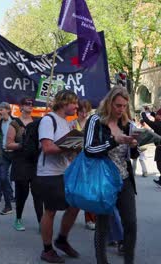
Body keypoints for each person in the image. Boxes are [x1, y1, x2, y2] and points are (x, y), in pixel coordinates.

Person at [84, 86, 139, 264]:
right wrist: (113, 140)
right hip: (103, 180)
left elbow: (133, 154)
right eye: (117, 105)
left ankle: (129, 260)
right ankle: (102, 261)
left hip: (124, 179)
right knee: (103, 224)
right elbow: (89, 149)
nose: (120, 109)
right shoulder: (95, 120)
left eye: (124, 106)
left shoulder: (129, 124)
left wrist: (135, 146)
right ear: (109, 103)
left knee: (131, 223)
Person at [37, 90, 81, 263]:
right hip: (49, 173)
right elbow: (47, 147)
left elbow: (66, 148)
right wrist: (70, 146)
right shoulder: (48, 120)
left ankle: (61, 240)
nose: (77, 106)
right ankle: (47, 250)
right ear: (64, 103)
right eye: (74, 103)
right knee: (50, 211)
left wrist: (77, 146)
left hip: (65, 171)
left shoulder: (67, 122)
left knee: (75, 204)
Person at [6, 97, 44, 232]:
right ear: (21, 106)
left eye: (32, 104)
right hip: (20, 161)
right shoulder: (14, 124)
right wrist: (22, 145)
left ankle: (41, 222)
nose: (30, 105)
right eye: (27, 104)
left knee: (38, 193)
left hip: (34, 161)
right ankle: (18, 218)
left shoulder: (37, 122)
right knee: (22, 193)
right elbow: (8, 144)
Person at [70, 99, 97, 231]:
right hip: (75, 161)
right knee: (75, 191)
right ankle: (71, 215)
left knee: (89, 191)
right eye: (81, 111)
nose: (84, 114)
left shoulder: (93, 124)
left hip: (90, 161)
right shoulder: (71, 124)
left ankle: (90, 218)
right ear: (77, 111)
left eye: (87, 111)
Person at [0, 102, 16, 215]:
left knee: (19, 179)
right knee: (3, 178)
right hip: (3, 154)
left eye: (1, 109)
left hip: (15, 153)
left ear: (8, 110)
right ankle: (8, 205)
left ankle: (18, 200)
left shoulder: (16, 122)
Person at [141, 108, 161, 188]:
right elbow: (157, 118)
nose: (156, 115)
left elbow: (146, 120)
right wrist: (151, 112)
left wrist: (143, 112)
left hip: (160, 147)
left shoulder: (157, 125)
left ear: (160, 116)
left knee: (160, 165)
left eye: (157, 114)